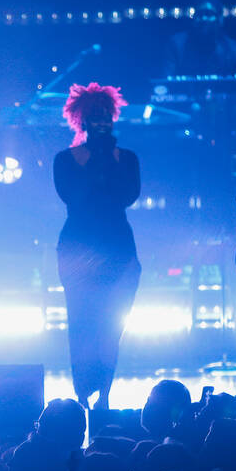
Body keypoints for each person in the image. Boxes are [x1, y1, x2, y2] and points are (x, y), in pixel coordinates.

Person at [53, 83, 141, 410]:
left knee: (112, 324)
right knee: (82, 321)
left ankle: (103, 393)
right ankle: (82, 392)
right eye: (95, 117)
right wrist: (98, 159)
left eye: (107, 116)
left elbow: (127, 196)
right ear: (83, 121)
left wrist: (108, 159)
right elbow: (74, 196)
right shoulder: (65, 160)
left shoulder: (127, 159)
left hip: (118, 247)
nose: (103, 122)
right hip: (78, 247)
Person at [161, 0, 236, 77]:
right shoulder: (176, 45)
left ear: (220, 19)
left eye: (209, 14)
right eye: (199, 14)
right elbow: (166, 83)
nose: (203, 19)